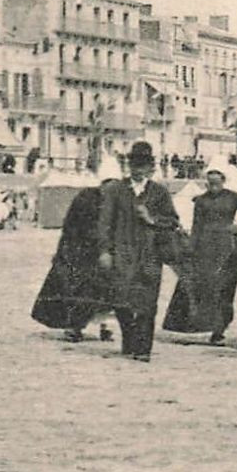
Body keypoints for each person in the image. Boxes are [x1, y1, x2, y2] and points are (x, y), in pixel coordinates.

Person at [97, 141, 180, 363]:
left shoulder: (160, 193)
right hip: (122, 253)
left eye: (142, 164)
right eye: (134, 164)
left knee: (148, 302)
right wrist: (104, 251)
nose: (138, 169)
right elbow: (104, 223)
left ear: (150, 167)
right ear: (128, 165)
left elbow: (173, 221)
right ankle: (130, 340)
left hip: (150, 254)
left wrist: (152, 218)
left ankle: (143, 349)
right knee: (121, 300)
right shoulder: (115, 191)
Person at [162, 169, 237, 345]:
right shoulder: (201, 201)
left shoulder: (234, 197)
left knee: (225, 289)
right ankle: (199, 326)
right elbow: (196, 227)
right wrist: (191, 250)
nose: (213, 186)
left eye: (217, 182)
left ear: (224, 180)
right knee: (204, 289)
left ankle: (219, 330)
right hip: (205, 250)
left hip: (227, 250)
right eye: (210, 183)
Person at [31, 169, 117, 342]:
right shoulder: (86, 198)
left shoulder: (118, 201)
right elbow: (71, 226)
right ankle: (74, 327)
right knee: (77, 291)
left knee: (106, 293)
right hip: (80, 252)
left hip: (104, 253)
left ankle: (105, 327)